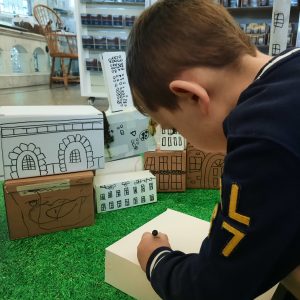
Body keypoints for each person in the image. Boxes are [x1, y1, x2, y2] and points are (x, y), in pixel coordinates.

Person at [126, 0, 300, 299]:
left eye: (173, 127)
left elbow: (212, 288)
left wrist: (157, 260)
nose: (184, 138)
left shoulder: (260, 138)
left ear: (192, 96)